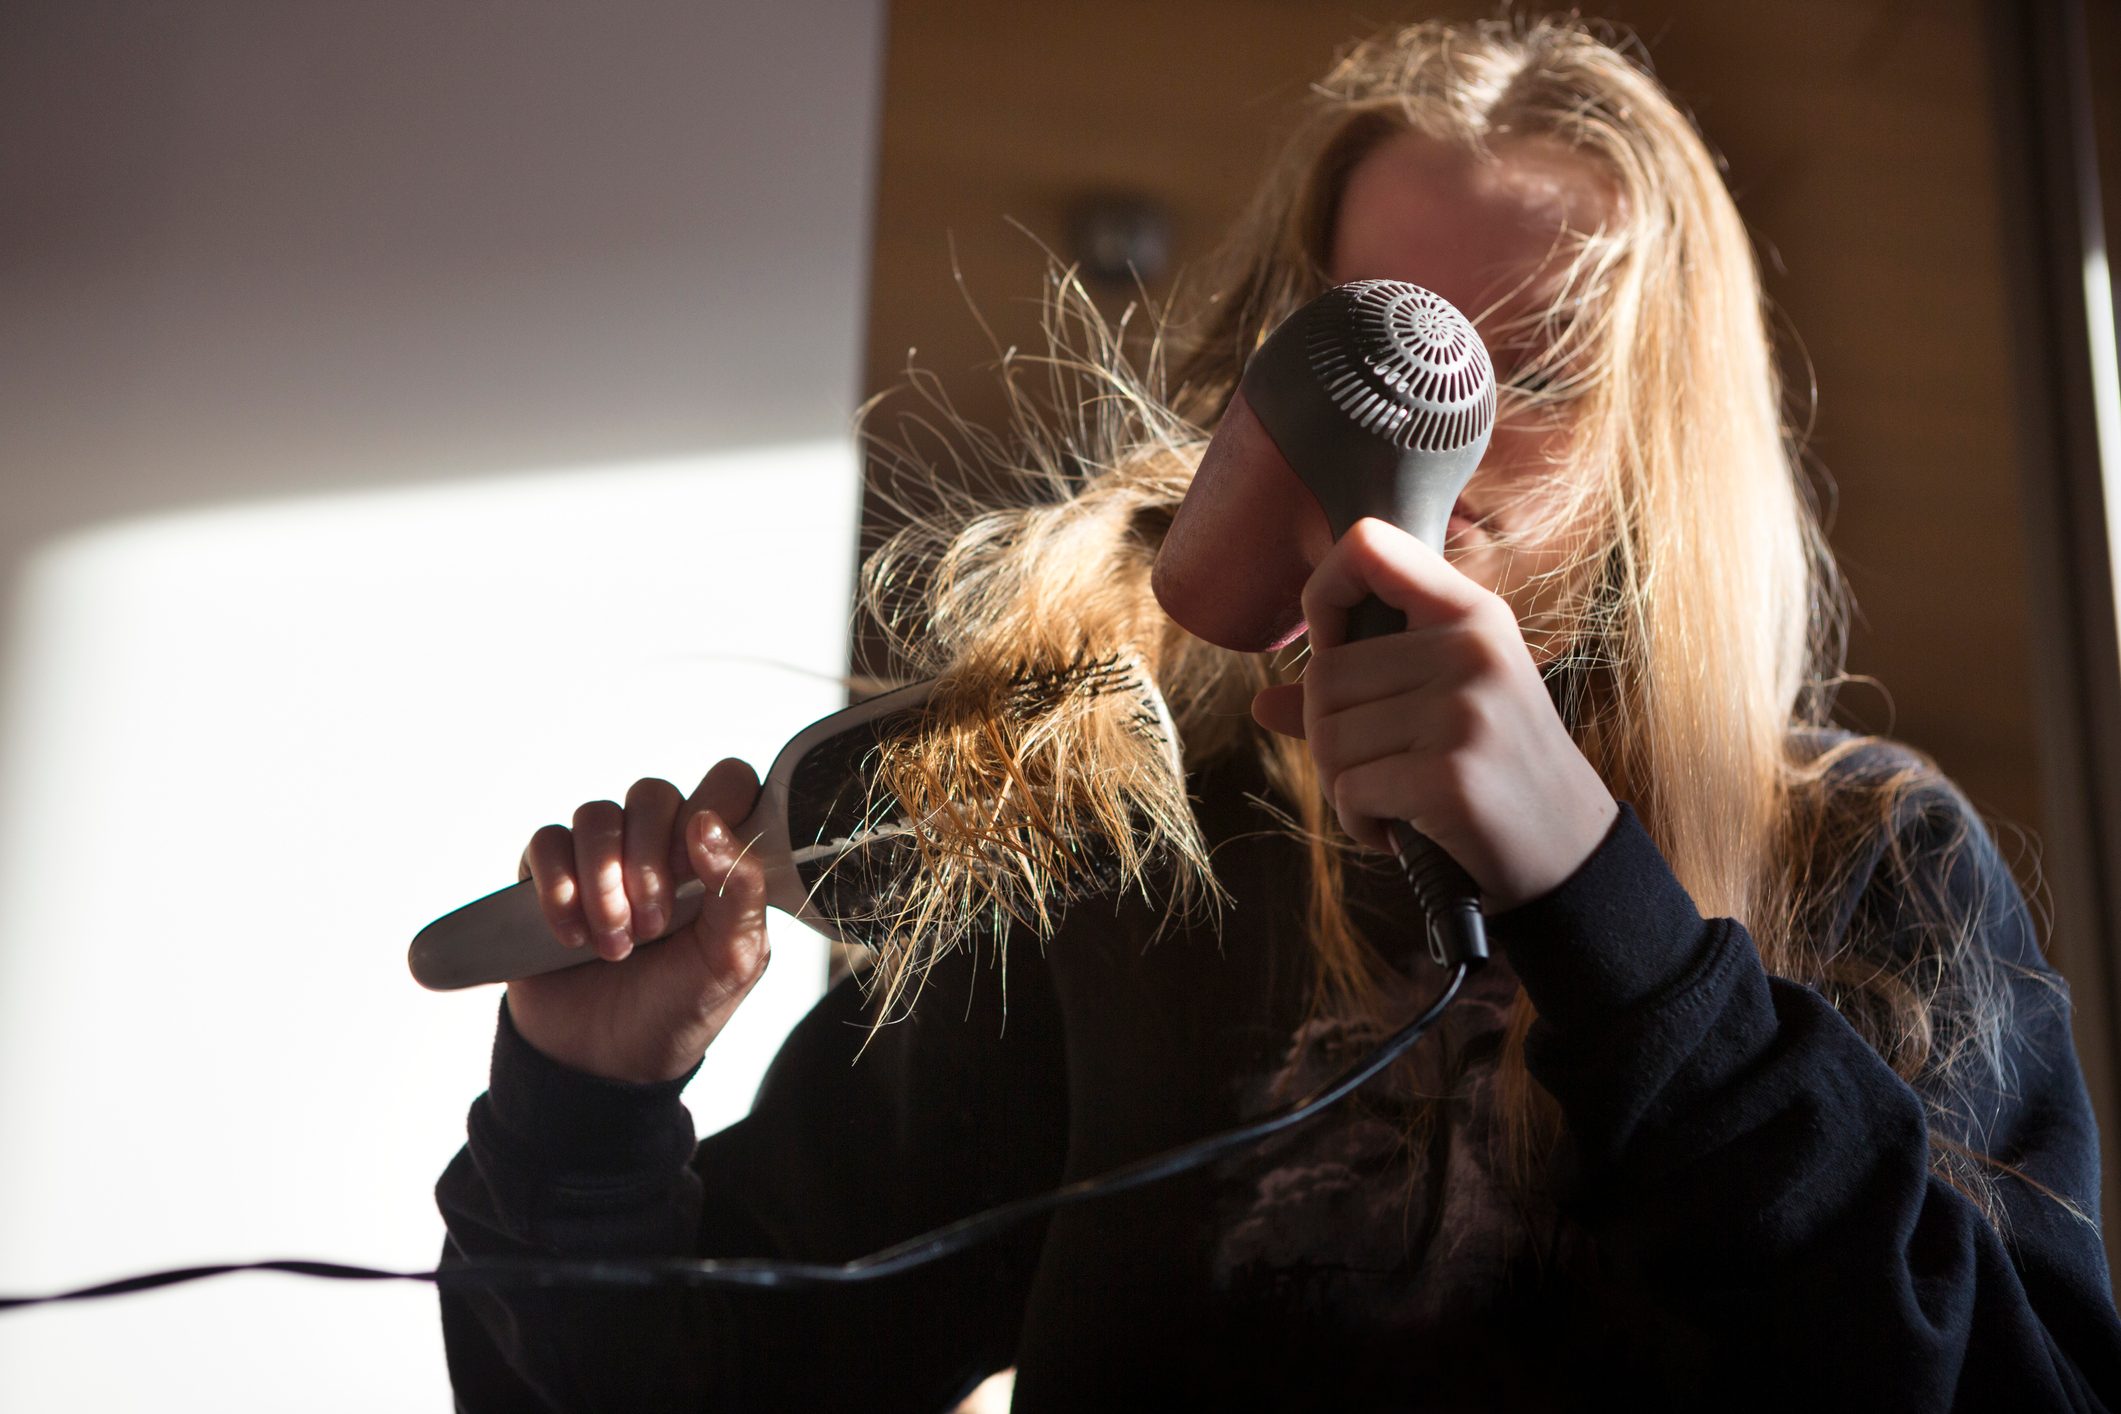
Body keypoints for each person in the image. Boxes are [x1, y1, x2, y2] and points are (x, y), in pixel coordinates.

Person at [433, 15, 2121, 1410]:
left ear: (1655, 452)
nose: (1423, 469)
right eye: (1368, 351)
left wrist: (1606, 914)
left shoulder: (1871, 862)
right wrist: (582, 1113)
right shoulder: (1121, 860)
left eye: (1521, 376)